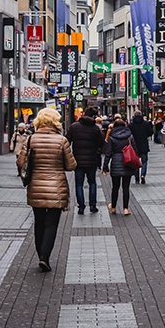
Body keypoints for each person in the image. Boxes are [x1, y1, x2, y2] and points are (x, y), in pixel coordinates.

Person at [17, 108, 77, 272]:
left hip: (36, 186)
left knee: (39, 222)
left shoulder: (31, 139)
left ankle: (40, 255)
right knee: (52, 223)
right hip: (57, 188)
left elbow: (20, 162)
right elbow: (71, 166)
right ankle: (45, 256)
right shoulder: (62, 141)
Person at [67, 107, 104, 214]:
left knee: (79, 184)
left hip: (77, 160)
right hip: (91, 160)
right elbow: (100, 144)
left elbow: (67, 141)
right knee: (92, 182)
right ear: (93, 116)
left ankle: (81, 206)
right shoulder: (95, 128)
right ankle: (92, 205)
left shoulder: (74, 127)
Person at [103, 119, 136, 215]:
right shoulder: (129, 136)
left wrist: (105, 167)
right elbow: (135, 150)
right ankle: (125, 208)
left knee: (115, 187)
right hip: (128, 162)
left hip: (116, 163)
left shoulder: (112, 137)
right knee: (126, 187)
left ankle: (113, 207)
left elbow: (108, 153)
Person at [129, 110, 153, 184]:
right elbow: (150, 132)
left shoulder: (131, 125)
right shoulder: (146, 124)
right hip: (144, 145)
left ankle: (137, 179)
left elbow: (129, 134)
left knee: (136, 163)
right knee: (144, 162)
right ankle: (143, 175)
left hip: (134, 146)